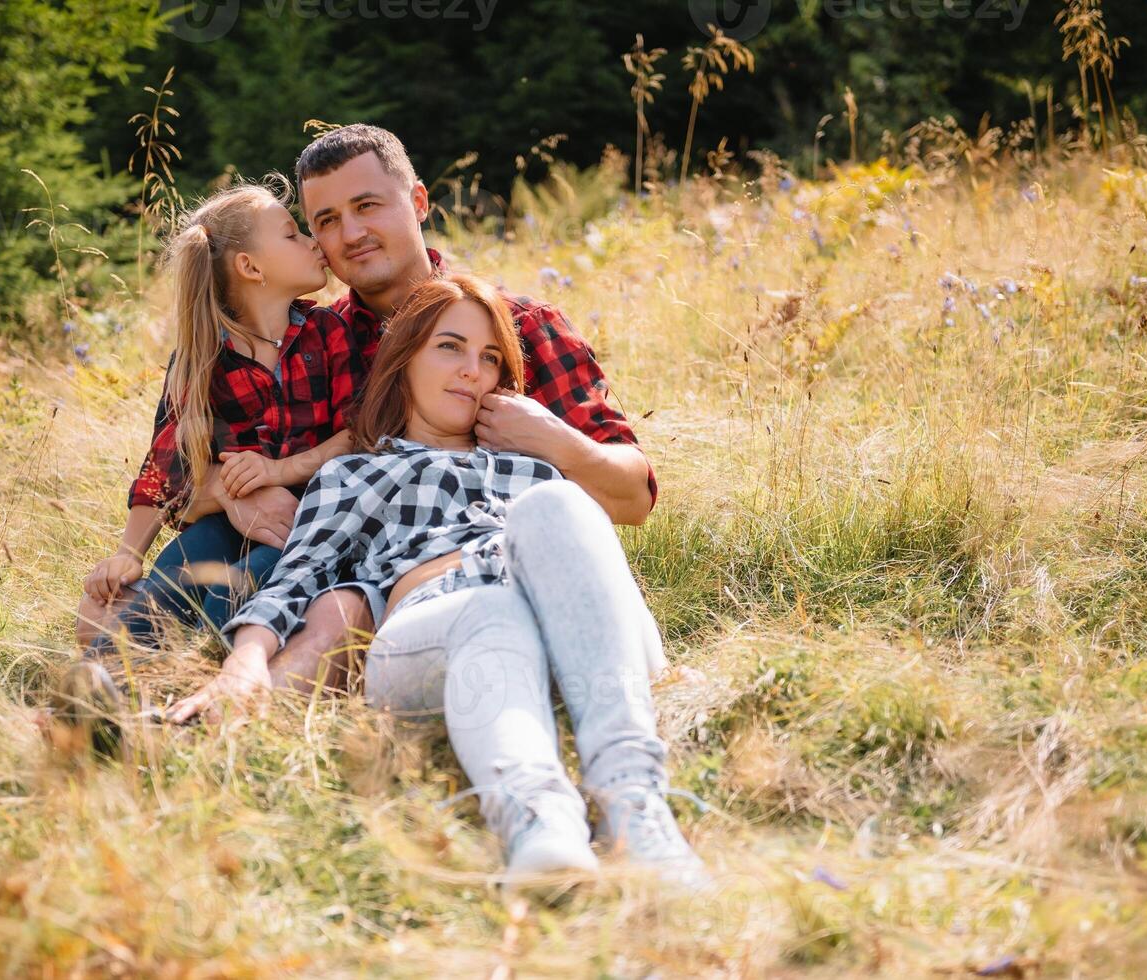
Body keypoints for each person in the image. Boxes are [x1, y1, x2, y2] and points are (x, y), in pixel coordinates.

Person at [167, 274, 706, 889]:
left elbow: (600, 561)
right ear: (404, 360)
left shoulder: (535, 467)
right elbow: (297, 579)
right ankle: (539, 822)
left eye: (490, 357)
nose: (471, 370)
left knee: (555, 507)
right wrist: (245, 662)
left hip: (565, 634)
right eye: (449, 347)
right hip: (435, 630)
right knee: (492, 611)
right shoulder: (355, 473)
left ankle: (637, 808)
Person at [231, 123, 660, 697]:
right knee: (250, 570)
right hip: (358, 584)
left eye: (367, 206)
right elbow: (222, 459)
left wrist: (554, 440)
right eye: (327, 221)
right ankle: (152, 676)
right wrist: (234, 490)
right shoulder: (312, 340)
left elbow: (633, 497)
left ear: (418, 202)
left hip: (507, 571)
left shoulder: (520, 325)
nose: (351, 233)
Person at [55, 177, 361, 748]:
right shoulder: (203, 355)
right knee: (175, 576)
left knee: (244, 590)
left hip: (309, 524)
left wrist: (278, 472)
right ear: (251, 267)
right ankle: (91, 691)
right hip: (220, 524)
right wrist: (128, 551)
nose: (314, 243)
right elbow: (165, 464)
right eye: (294, 234)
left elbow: (359, 433)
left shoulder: (329, 333)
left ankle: (182, 706)